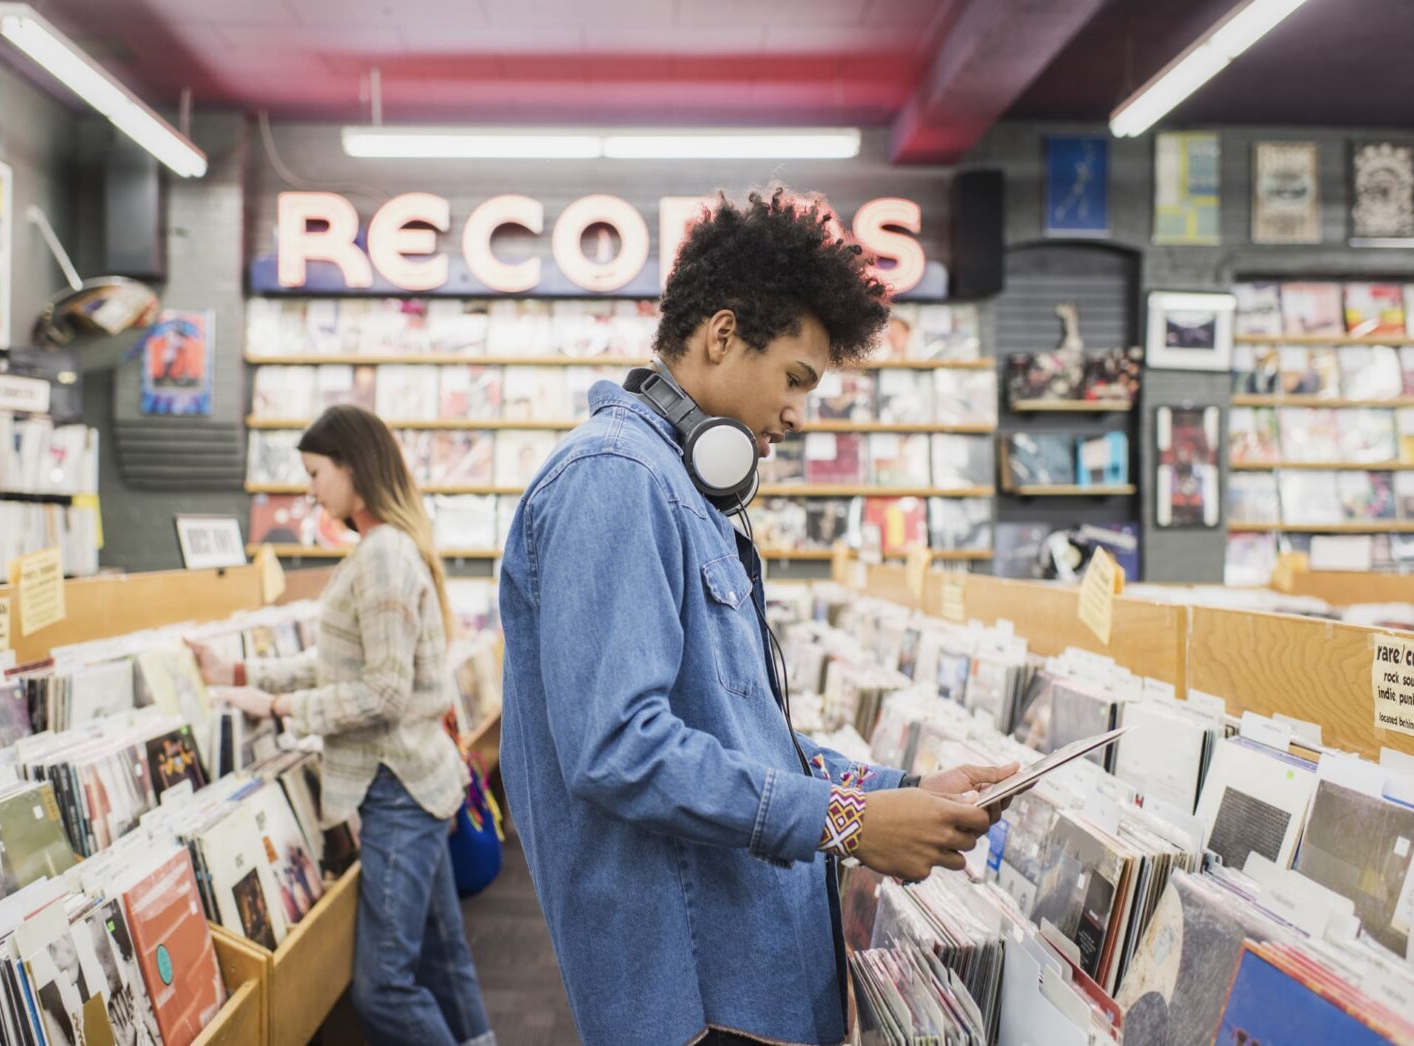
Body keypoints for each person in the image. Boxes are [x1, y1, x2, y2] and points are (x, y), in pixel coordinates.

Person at [498, 187, 1020, 1046]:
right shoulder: (615, 480)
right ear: (722, 334)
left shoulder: (684, 491)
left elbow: (739, 731)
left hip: (755, 973)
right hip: (697, 994)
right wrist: (851, 825)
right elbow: (619, 749)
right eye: (795, 380)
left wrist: (899, 795)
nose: (797, 416)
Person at [190, 405, 493, 1046]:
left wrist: (277, 710)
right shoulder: (383, 547)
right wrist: (241, 671)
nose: (310, 488)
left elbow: (381, 693)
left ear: (352, 468)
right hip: (421, 779)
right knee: (442, 958)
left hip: (399, 789)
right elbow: (338, 663)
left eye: (316, 472)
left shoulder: (383, 555)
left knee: (382, 989)